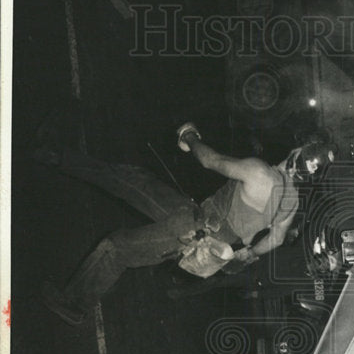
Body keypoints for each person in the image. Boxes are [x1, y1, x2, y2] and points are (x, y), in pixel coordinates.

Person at [40, 124, 336, 324]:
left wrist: (190, 136)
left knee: (116, 248)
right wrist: (248, 255)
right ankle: (60, 156)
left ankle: (74, 303)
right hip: (193, 217)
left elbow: (210, 160)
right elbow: (277, 239)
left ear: (298, 153)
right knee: (132, 180)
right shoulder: (292, 202)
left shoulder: (261, 173)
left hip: (192, 233)